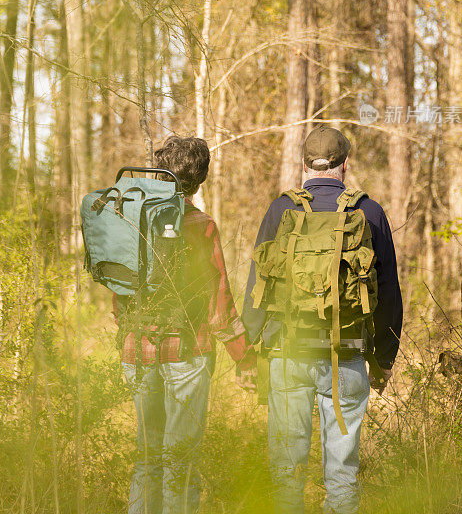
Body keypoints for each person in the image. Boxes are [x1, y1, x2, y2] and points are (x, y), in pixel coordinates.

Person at [242, 125, 403, 514]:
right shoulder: (369, 212)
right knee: (343, 474)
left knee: (285, 469)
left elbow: (257, 286)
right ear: (344, 165)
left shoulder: (282, 209)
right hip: (346, 356)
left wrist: (249, 348)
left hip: (287, 355)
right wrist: (383, 359)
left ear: (304, 165)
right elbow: (388, 295)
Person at [115, 135, 256, 514]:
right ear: (199, 178)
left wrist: (127, 336)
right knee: (179, 460)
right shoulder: (200, 225)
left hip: (136, 351)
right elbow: (220, 301)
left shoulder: (128, 218)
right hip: (187, 353)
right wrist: (244, 357)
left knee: (146, 457)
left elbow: (118, 290)